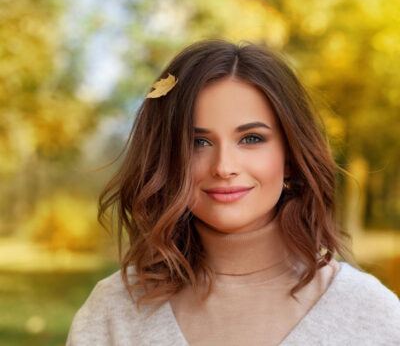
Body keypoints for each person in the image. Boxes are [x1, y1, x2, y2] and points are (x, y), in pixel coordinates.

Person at [66, 39, 400, 346]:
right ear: (168, 160)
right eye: (199, 142)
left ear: (290, 157)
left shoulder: (371, 315)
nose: (224, 166)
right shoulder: (113, 313)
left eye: (251, 138)